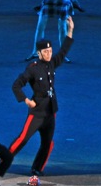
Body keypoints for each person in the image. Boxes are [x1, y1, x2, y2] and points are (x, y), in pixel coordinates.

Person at [10, 17, 74, 177]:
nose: (49, 53)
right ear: (38, 53)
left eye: (50, 51)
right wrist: (26, 100)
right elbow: (17, 85)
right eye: (45, 52)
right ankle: (4, 160)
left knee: (47, 143)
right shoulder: (32, 68)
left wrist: (70, 30)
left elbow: (64, 50)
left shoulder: (52, 63)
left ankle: (37, 168)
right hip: (37, 112)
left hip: (50, 111)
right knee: (23, 139)